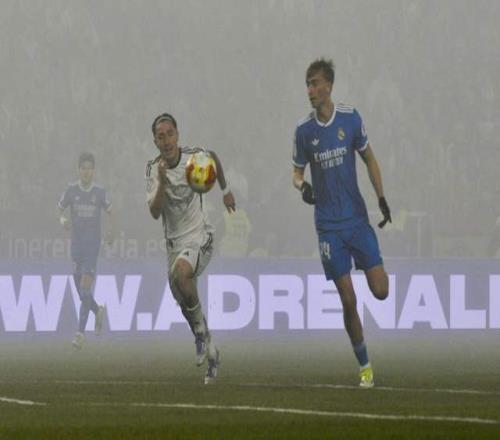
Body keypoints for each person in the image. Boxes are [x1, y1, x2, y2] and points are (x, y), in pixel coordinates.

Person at [292, 59, 391, 388]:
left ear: (329, 86)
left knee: (381, 291)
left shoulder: (350, 119)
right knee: (348, 298)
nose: (311, 90)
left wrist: (381, 198)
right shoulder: (304, 132)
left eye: (315, 83)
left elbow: (369, 158)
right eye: (308, 84)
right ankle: (365, 365)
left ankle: (367, 270)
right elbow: (296, 172)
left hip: (357, 221)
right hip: (328, 227)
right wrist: (303, 187)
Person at [146, 112, 235, 384]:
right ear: (155, 142)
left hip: (200, 236)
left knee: (182, 274)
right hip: (174, 244)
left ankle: (200, 333)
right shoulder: (153, 169)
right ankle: (211, 351)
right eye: (160, 137)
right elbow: (154, 212)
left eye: (170, 134)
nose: (166, 141)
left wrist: (225, 190)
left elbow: (214, 157)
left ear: (177, 135)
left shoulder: (194, 158)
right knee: (183, 298)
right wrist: (162, 181)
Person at [58, 152, 114, 350]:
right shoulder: (71, 190)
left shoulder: (99, 192)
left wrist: (110, 231)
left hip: (92, 247)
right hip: (76, 247)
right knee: (82, 292)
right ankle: (98, 310)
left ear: (94, 171)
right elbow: (59, 209)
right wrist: (62, 219)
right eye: (83, 168)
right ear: (78, 170)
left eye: (90, 168)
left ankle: (80, 333)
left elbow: (111, 212)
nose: (86, 172)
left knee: (84, 289)